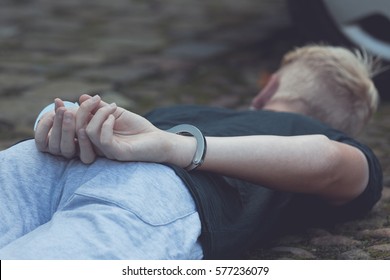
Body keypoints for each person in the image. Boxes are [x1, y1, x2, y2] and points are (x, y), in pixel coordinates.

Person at [0, 45, 383, 259]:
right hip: (147, 190)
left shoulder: (322, 136)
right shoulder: (333, 139)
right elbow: (331, 164)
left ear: (269, 90)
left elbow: (328, 159)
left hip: (56, 169)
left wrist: (172, 145)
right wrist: (65, 125)